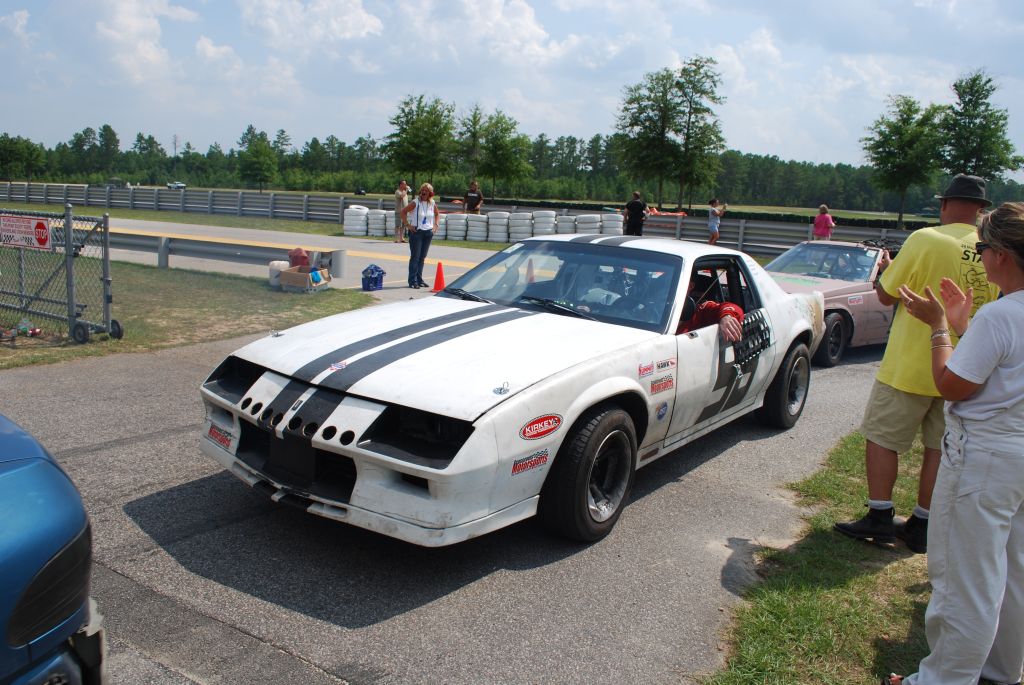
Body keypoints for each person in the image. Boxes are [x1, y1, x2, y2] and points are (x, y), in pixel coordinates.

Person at [881, 202, 1024, 685]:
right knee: (1012, 571)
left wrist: (940, 327)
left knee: (965, 579)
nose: (980, 256)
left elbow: (952, 385)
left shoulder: (1001, 315)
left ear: (1002, 255)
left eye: (982, 248)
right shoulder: (1003, 316)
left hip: (984, 459)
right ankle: (1001, 672)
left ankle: (942, 679)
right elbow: (1003, 372)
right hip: (1018, 458)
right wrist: (965, 327)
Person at [834, 174, 1000, 555]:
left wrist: (887, 268)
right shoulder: (991, 249)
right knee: (939, 448)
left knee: (882, 437)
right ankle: (923, 523)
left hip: (910, 364)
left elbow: (885, 294)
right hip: (962, 366)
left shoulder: (925, 238)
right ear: (980, 210)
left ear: (944, 204)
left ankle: (880, 515)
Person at [677, 276, 743, 342]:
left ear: (690, 286)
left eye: (676, 282)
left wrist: (726, 317)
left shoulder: (701, 311)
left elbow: (733, 308)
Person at [400, 182, 439, 289]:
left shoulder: (432, 203)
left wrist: (435, 225)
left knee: (422, 258)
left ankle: (419, 280)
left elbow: (437, 214)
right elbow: (403, 212)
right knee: (415, 258)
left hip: (428, 233)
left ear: (430, 193)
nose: (424, 192)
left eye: (426, 190)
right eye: (422, 190)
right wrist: (407, 225)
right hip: (417, 233)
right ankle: (412, 281)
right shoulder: (415, 202)